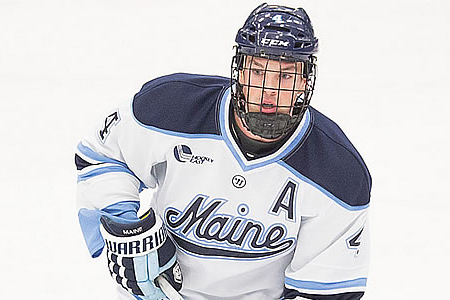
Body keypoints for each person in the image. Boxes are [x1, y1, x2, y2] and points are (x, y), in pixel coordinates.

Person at [76, 3, 372, 300]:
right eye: (258, 71)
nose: (268, 89)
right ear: (239, 70)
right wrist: (124, 225)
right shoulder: (169, 109)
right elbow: (103, 153)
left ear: (305, 81)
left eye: (285, 76)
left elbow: (329, 292)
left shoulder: (339, 174)